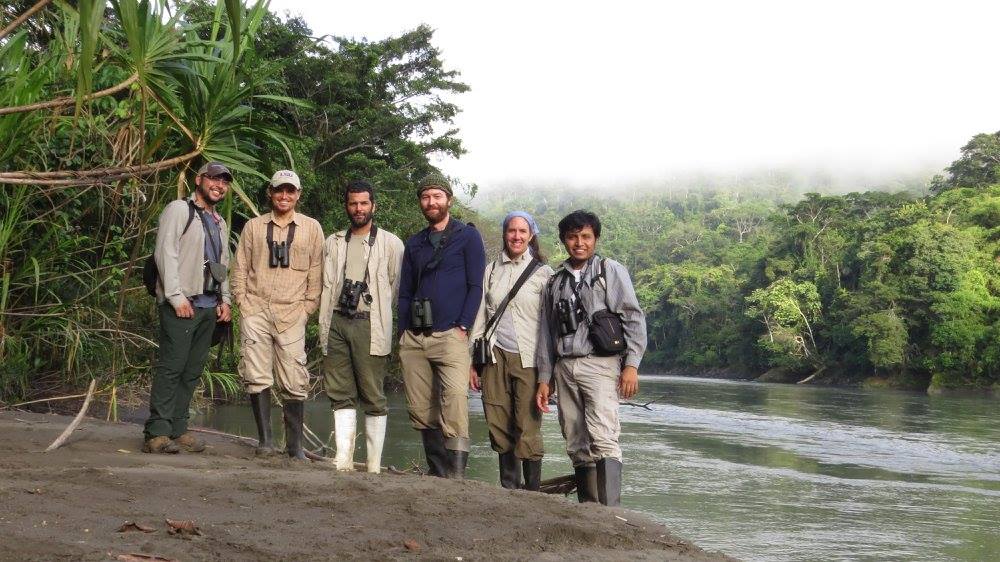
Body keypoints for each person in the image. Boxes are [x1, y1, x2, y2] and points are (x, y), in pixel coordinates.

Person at [534, 210, 647, 506]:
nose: (579, 243)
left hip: (601, 363)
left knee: (604, 435)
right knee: (574, 437)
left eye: (586, 237)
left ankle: (610, 512)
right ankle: (589, 509)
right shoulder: (555, 282)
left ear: (595, 239)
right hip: (564, 366)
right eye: (572, 237)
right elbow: (546, 333)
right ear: (563, 240)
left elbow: (633, 318)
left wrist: (631, 366)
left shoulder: (609, 270)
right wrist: (545, 379)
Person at [398, 172, 486, 479]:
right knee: (422, 407)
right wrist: (402, 332)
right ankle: (437, 473)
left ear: (448, 199)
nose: (431, 202)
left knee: (455, 401)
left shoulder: (468, 236)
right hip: (415, 337)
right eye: (425, 197)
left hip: (451, 334)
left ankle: (456, 475)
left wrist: (464, 325)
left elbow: (476, 286)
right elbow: (405, 291)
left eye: (437, 196)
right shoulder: (415, 243)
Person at [231, 169, 324, 460]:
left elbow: (317, 272)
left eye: (290, 191)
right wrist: (243, 304)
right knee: (256, 375)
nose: (284, 196)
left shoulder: (311, 228)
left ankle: (294, 447)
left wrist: (307, 308)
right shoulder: (254, 227)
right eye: (279, 190)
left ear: (298, 194)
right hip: (256, 309)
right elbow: (240, 268)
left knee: (294, 377)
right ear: (270, 193)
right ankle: (266, 442)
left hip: (292, 312)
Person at [143, 161, 234, 453]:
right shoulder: (179, 210)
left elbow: (224, 265)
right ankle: (157, 432)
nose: (218, 185)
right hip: (183, 304)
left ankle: (178, 428)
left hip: (209, 306)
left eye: (224, 182)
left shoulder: (220, 222)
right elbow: (164, 252)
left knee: (192, 371)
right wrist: (175, 296)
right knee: (171, 368)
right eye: (213, 179)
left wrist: (225, 300)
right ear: (200, 180)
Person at [317, 180, 404, 473]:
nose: (359, 208)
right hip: (337, 321)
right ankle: (343, 460)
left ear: (373, 206)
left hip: (370, 323)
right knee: (340, 391)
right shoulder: (333, 241)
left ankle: (374, 465)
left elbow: (396, 286)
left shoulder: (391, 244)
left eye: (364, 203)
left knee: (373, 394)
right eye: (353, 203)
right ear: (347, 206)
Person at [469, 211, 553, 490]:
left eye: (522, 232)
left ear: (531, 236)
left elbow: (548, 327)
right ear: (505, 233)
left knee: (527, 426)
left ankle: (532, 493)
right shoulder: (491, 270)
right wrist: (474, 362)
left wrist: (547, 374)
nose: (516, 237)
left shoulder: (544, 274)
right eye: (511, 231)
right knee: (498, 423)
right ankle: (509, 488)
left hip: (529, 360)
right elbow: (480, 316)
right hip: (494, 357)